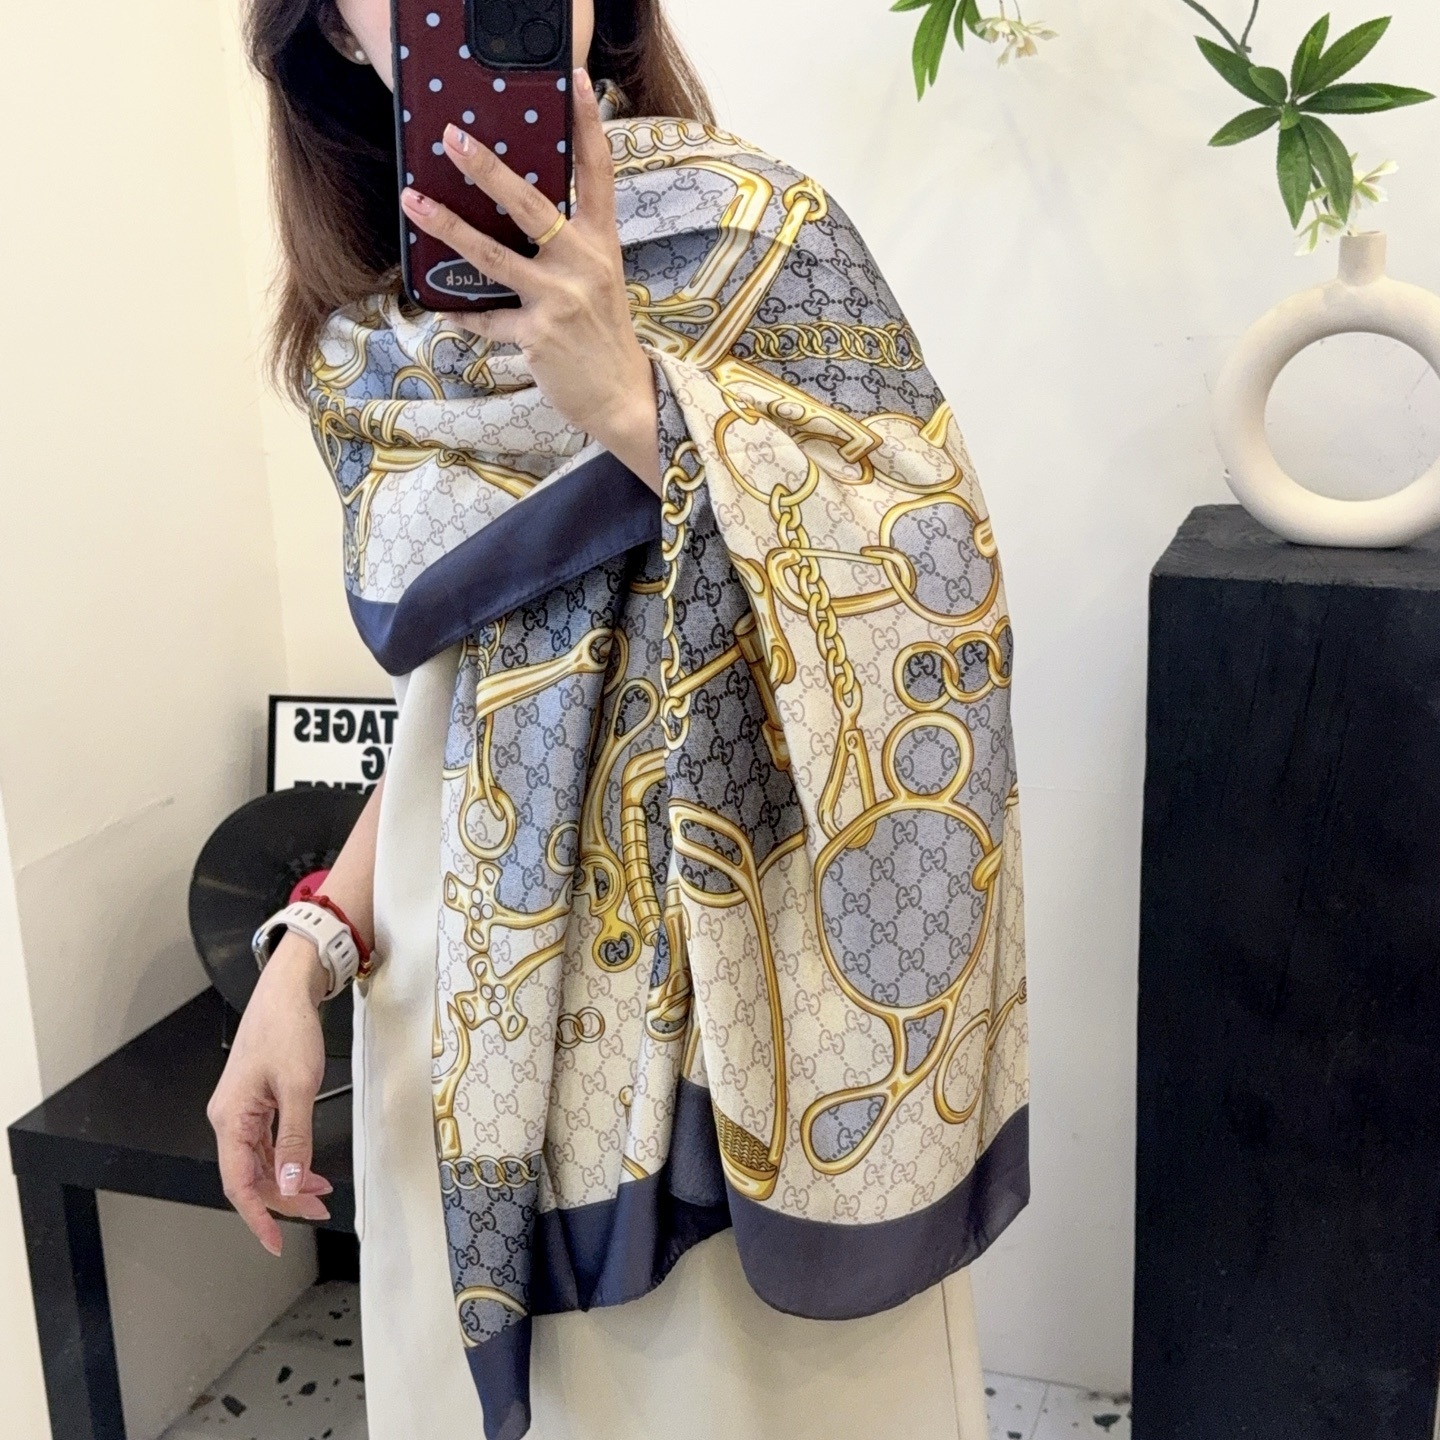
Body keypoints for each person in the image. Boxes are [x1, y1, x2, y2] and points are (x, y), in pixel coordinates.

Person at [207, 3, 1029, 1438]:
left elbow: (937, 588)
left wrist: (641, 407)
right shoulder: (367, 344)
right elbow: (466, 706)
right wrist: (310, 951)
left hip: (760, 1032)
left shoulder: (761, 231)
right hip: (463, 1029)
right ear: (329, 31)